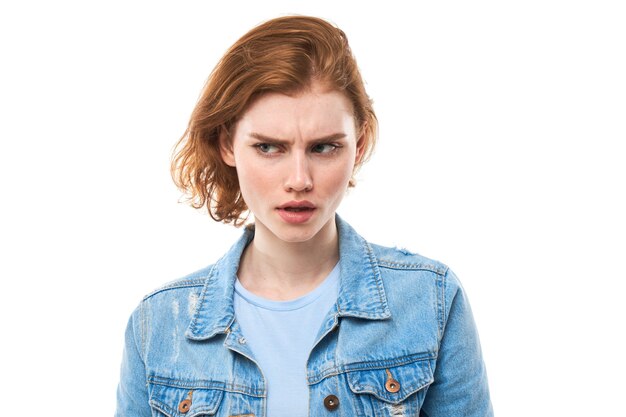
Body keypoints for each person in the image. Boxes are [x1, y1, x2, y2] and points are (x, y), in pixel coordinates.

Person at [115, 15, 493, 417]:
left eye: (324, 147)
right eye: (268, 147)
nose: (299, 180)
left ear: (359, 146)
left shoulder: (430, 301)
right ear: (228, 144)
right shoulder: (158, 326)